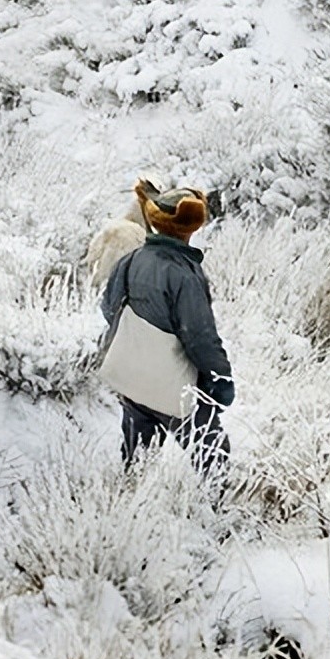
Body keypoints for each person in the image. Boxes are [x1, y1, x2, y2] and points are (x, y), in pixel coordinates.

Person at [100, 179, 234, 477]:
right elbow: (199, 337)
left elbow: (109, 308)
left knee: (137, 458)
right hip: (172, 386)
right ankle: (215, 515)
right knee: (211, 453)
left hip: (131, 379)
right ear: (193, 227)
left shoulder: (131, 259)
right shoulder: (185, 275)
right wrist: (221, 379)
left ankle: (130, 508)